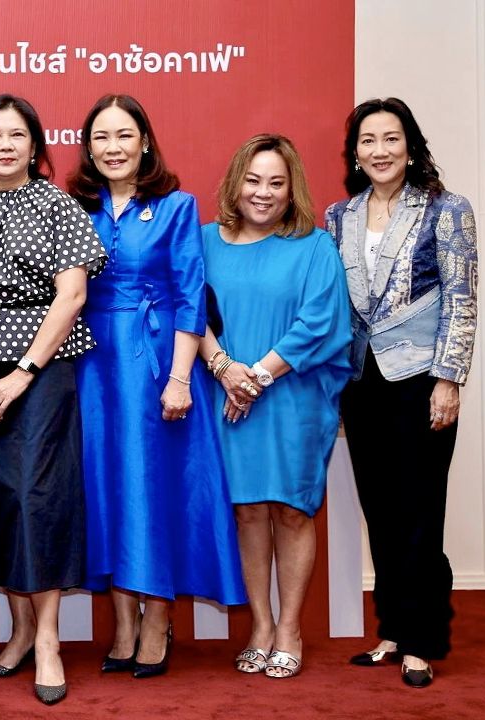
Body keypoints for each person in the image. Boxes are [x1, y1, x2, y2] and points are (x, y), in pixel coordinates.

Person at [69, 94, 246, 678]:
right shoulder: (74, 207)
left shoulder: (175, 206)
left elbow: (190, 296)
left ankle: (157, 620)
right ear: (88, 147)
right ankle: (122, 622)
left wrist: (178, 378)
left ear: (144, 142)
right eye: (100, 137)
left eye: (124, 135)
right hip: (92, 367)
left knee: (151, 488)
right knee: (105, 488)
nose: (112, 148)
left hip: (157, 365)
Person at [0, 94, 104, 705]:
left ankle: (47, 641)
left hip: (41, 368)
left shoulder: (57, 205)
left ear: (35, 146)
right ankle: (15, 634)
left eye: (17, 134)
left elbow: (71, 297)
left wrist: (21, 373)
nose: (5, 145)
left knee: (37, 496)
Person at [326, 97, 478, 689]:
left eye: (391, 139)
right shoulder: (340, 215)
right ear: (356, 152)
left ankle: (422, 639)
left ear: (409, 147)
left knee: (419, 514)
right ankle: (391, 628)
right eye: (368, 141)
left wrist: (449, 379)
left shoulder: (447, 208)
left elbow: (462, 301)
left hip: (423, 381)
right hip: (362, 384)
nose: (380, 151)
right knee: (381, 512)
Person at [198, 134, 353, 679]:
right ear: (236, 181)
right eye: (254, 179)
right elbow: (189, 315)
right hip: (225, 395)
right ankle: (261, 624)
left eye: (276, 183)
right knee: (246, 510)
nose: (263, 193)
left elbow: (321, 323)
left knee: (289, 509)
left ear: (292, 191)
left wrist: (257, 377)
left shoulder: (314, 246)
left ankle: (290, 627)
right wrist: (225, 371)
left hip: (290, 397)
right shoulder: (202, 242)